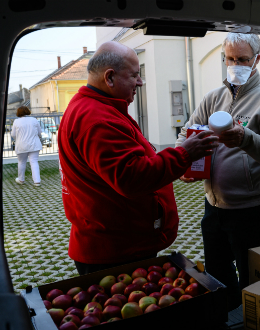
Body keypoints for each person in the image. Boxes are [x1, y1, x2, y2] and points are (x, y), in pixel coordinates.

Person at [58, 41, 218, 275]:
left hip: (117, 244)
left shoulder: (94, 108)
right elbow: (131, 177)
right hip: (115, 253)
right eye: (135, 75)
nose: (140, 82)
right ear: (110, 77)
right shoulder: (98, 119)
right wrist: (185, 154)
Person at [176, 33, 260, 310]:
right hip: (213, 207)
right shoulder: (212, 98)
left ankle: (253, 319)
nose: (235, 64)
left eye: (243, 59)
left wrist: (246, 138)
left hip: (250, 209)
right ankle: (224, 317)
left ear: (257, 59)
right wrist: (183, 163)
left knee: (252, 279)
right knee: (217, 275)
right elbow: (186, 133)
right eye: (230, 59)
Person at [11, 106, 42, 187]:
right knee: (34, 162)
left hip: (21, 145)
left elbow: (13, 135)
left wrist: (19, 137)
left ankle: (21, 180)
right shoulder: (34, 120)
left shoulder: (16, 121)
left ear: (18, 112)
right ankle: (37, 181)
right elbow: (39, 132)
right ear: (28, 111)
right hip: (34, 144)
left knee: (21, 162)